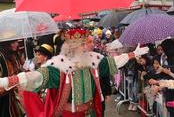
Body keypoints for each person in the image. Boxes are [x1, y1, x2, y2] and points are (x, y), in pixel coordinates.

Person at [0, 28, 149, 117]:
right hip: (67, 115)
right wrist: (8, 81)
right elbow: (38, 77)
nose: (86, 47)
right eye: (82, 45)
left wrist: (132, 54)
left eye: (85, 44)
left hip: (90, 113)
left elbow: (112, 63)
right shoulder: (58, 66)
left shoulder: (93, 60)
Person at [0, 40, 25, 117]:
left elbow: (19, 69)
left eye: (16, 42)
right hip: (4, 99)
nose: (16, 44)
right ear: (6, 43)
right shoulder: (1, 57)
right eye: (13, 42)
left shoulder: (14, 54)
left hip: (14, 96)